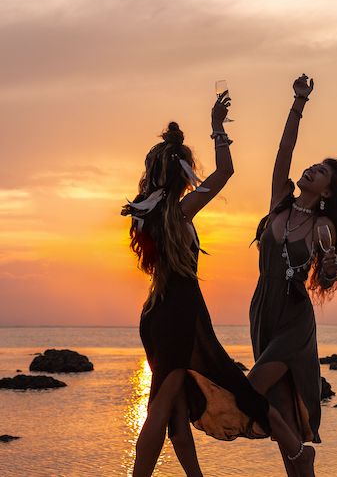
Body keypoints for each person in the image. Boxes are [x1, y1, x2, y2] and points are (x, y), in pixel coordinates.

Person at [122, 93, 271, 477]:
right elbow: (224, 174)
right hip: (177, 313)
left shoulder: (147, 208)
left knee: (174, 412)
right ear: (184, 171)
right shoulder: (178, 209)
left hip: (156, 312)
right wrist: (218, 127)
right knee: (161, 405)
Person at [248, 74, 337, 476]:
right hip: (262, 311)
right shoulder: (278, 202)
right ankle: (302, 463)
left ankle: (303, 456)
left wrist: (326, 270)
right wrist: (298, 102)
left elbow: (321, 282)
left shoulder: (323, 228)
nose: (310, 169)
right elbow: (284, 150)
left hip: (293, 319)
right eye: (313, 165)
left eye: (319, 171)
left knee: (249, 391)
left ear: (326, 191)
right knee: (283, 414)